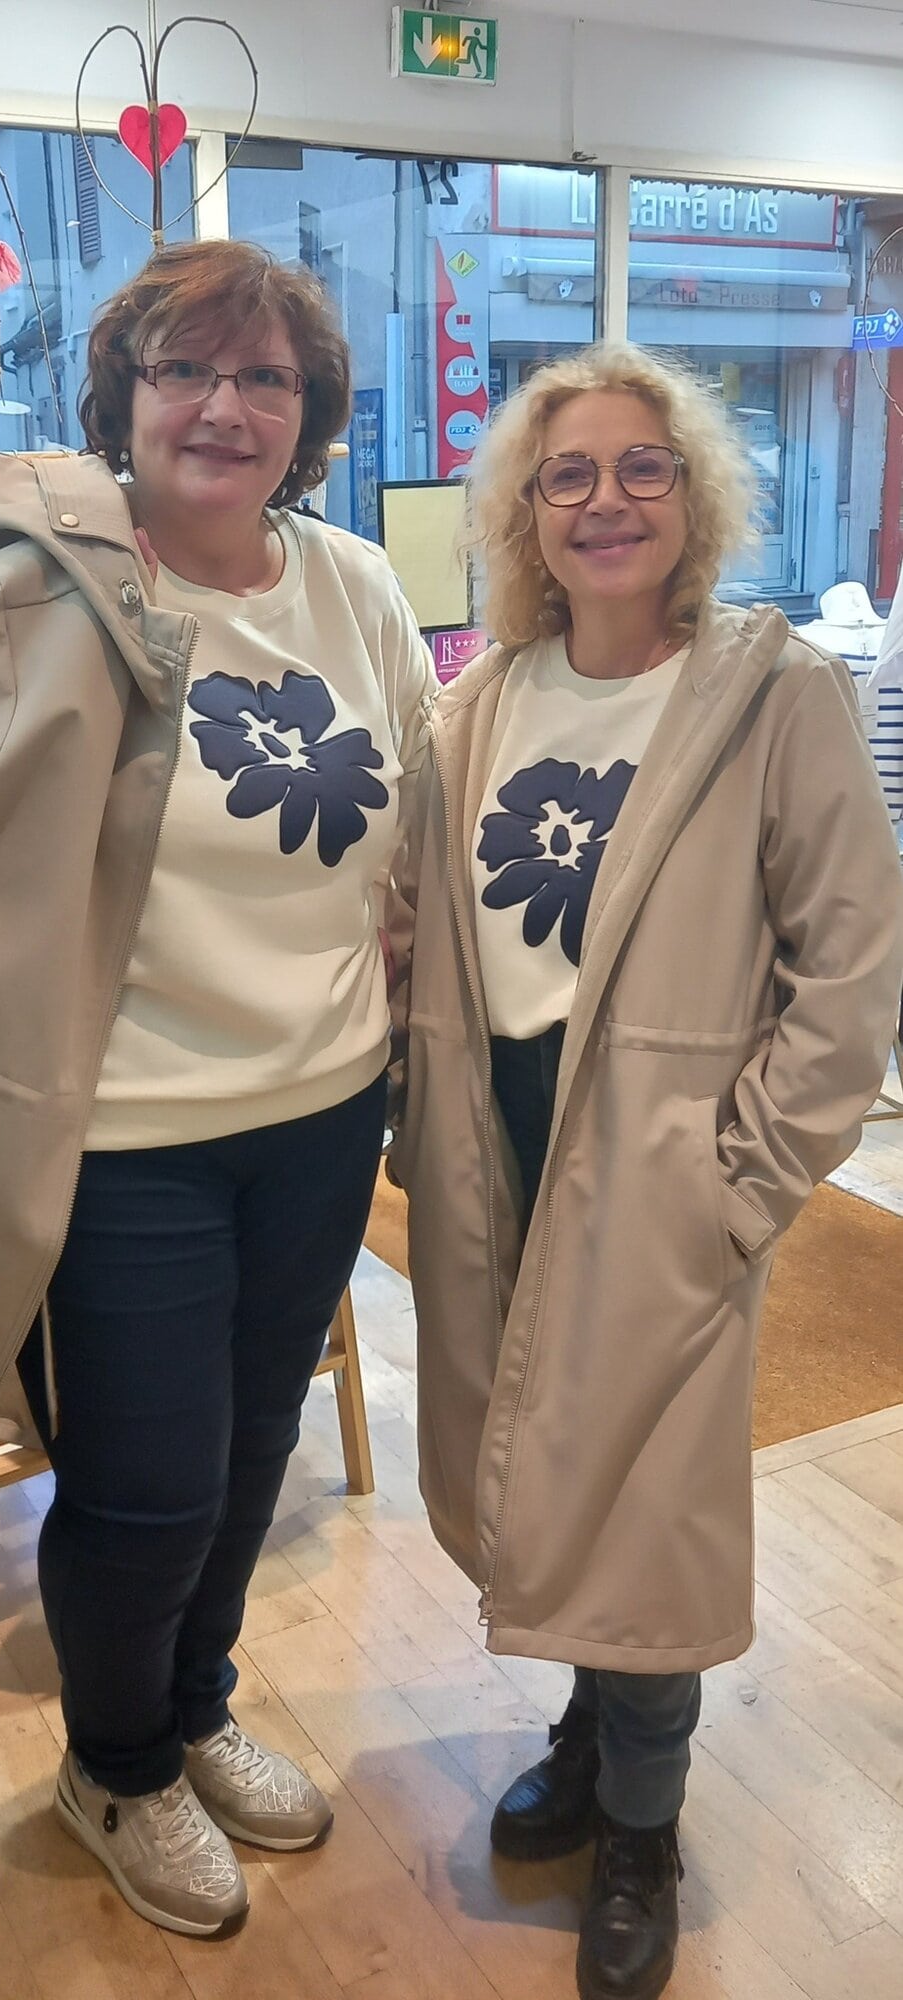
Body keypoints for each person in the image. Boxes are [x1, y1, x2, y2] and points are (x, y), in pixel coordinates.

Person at [0, 240, 435, 1937]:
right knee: (147, 1489)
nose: (226, 406)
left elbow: (423, 804)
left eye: (266, 378)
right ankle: (117, 1764)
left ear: (309, 415)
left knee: (252, 1455)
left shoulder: (354, 587)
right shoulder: (40, 591)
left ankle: (195, 1708)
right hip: (122, 1140)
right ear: (125, 397)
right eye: (186, 370)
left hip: (322, 1116)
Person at [385, 344, 903, 2000]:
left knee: (653, 1499)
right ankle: (590, 1731)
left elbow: (851, 973)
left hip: (668, 1153)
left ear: (695, 497)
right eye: (569, 475)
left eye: (643, 467)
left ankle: (643, 1826)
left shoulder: (771, 695)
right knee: (538, 1455)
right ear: (526, 515)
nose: (605, 500)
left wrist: (745, 1183)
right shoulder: (480, 701)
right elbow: (420, 924)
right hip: (496, 1136)